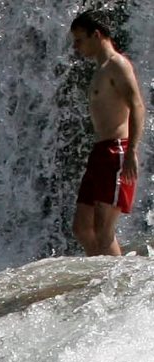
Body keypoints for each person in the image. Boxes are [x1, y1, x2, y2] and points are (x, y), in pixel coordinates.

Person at [72, 11, 144, 257]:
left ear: (97, 34)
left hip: (117, 151)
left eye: (79, 40)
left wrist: (132, 150)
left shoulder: (117, 65)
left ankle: (118, 286)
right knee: (82, 227)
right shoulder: (100, 69)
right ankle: (102, 278)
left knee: (103, 231)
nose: (76, 46)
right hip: (100, 152)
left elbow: (137, 105)